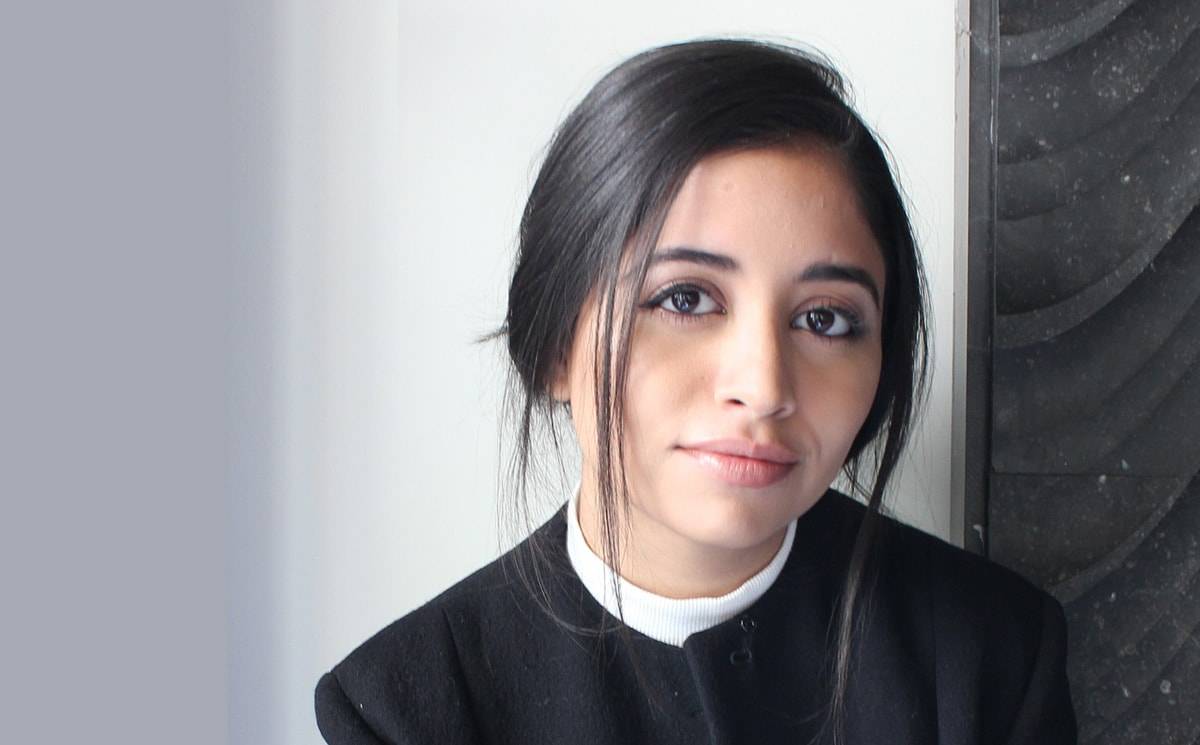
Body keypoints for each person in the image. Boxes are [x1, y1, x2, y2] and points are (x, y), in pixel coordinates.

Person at [314, 38, 1077, 744]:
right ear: (553, 345)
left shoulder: (991, 658)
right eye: (684, 299)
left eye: (824, 318)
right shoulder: (404, 709)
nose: (763, 386)